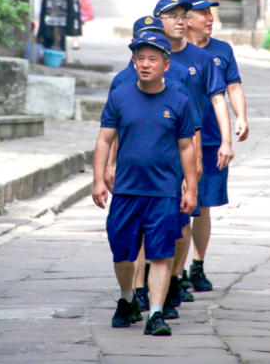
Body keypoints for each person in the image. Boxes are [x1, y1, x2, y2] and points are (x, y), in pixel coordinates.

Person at [92, 33, 198, 336]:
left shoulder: (179, 101)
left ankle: (155, 313)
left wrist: (190, 187)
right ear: (133, 62)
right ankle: (126, 299)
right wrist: (99, 178)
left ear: (166, 64)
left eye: (152, 59)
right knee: (122, 252)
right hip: (126, 190)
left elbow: (187, 148)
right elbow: (104, 140)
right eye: (140, 58)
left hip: (164, 191)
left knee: (161, 254)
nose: (145, 64)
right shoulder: (120, 96)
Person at [154, 0, 233, 293]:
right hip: (160, 149)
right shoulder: (152, 56)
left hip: (199, 143)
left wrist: (226, 139)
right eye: (173, 16)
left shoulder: (203, 59)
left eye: (182, 15)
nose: (180, 20)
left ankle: (181, 274)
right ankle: (150, 279)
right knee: (163, 212)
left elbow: (219, 97)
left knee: (194, 210)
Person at [180, 0, 249, 291]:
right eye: (203, 12)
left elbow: (232, 88)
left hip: (209, 139)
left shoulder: (221, 50)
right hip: (180, 141)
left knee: (204, 205)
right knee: (180, 206)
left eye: (211, 12)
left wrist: (240, 118)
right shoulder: (172, 52)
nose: (210, 18)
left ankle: (197, 265)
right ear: (187, 19)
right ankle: (173, 271)